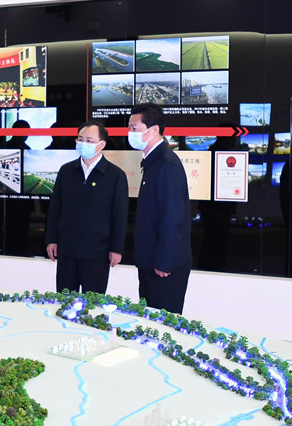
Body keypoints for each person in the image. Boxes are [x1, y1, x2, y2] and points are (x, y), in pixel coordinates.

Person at [45, 120, 129, 294]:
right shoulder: (66, 171)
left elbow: (119, 215)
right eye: (80, 139)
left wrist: (117, 249)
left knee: (93, 303)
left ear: (102, 144)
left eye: (89, 141)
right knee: (65, 300)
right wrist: (51, 239)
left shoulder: (115, 175)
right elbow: (55, 208)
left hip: (97, 253)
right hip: (67, 249)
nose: (83, 144)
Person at [128, 103, 192, 314]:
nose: (130, 133)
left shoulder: (166, 164)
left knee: (163, 325)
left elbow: (173, 217)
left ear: (153, 130)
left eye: (134, 128)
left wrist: (164, 261)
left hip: (164, 267)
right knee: (148, 320)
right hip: (150, 261)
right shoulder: (152, 161)